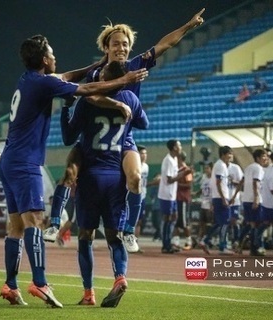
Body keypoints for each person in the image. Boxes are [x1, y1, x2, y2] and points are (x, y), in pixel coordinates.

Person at [0, 34, 148, 308]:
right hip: (25, 162)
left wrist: (97, 65)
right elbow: (86, 91)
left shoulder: (29, 79)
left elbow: (67, 76)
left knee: (16, 226)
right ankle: (40, 283)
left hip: (8, 160)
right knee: (35, 221)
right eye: (52, 54)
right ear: (45, 60)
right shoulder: (44, 83)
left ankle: (10, 284)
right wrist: (123, 82)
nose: (56, 58)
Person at [43, 8, 206, 253]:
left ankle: (129, 231)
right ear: (106, 48)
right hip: (93, 137)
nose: (122, 47)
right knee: (69, 173)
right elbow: (91, 96)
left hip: (122, 137)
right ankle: (56, 225)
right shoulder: (96, 72)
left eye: (126, 44)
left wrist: (188, 26)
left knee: (136, 178)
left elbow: (164, 45)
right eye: (116, 43)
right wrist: (117, 103)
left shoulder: (135, 64)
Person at [60, 60, 149, 307]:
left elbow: (68, 137)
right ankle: (120, 277)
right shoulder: (130, 98)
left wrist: (65, 108)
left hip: (90, 175)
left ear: (106, 77)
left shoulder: (88, 99)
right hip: (115, 177)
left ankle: (88, 294)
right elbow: (144, 124)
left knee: (85, 236)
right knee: (114, 236)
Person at [158, 140, 191, 254]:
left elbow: (175, 175)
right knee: (167, 218)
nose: (181, 147)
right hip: (166, 194)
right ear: (174, 148)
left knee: (173, 217)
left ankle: (169, 242)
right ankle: (165, 244)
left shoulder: (175, 159)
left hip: (172, 195)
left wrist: (183, 173)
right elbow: (169, 179)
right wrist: (184, 174)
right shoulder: (168, 160)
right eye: (179, 145)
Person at [199, 146, 234, 255]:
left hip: (219, 197)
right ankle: (222, 247)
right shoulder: (220, 166)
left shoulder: (221, 165)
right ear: (223, 154)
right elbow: (218, 183)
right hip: (220, 197)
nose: (231, 156)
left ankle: (205, 240)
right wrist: (223, 198)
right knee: (225, 222)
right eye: (229, 153)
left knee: (220, 222)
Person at [238, 148, 268, 256]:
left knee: (251, 224)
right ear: (258, 158)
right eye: (264, 156)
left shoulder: (248, 167)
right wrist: (256, 198)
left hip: (246, 199)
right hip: (254, 200)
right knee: (257, 224)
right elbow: (256, 183)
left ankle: (243, 244)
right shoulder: (259, 168)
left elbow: (242, 181)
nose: (266, 158)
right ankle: (256, 247)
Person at [172, 151, 194, 251]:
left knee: (184, 222)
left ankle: (189, 241)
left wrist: (176, 184)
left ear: (180, 159)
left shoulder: (186, 170)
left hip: (183, 199)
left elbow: (189, 185)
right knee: (176, 220)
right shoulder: (177, 170)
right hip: (176, 198)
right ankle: (175, 241)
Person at [131, 145, 149, 253]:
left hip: (143, 196)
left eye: (145, 153)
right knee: (132, 220)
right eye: (142, 153)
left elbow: (144, 183)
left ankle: (135, 244)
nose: (144, 156)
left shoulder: (146, 166)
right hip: (134, 196)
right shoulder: (133, 165)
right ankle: (128, 242)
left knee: (139, 221)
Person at [228, 159, 244, 250]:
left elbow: (242, 182)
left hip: (234, 199)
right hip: (225, 199)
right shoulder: (220, 167)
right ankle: (227, 241)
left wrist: (233, 181)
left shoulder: (236, 168)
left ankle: (237, 241)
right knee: (226, 221)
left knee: (234, 220)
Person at [195, 162, 213, 243]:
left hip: (210, 203)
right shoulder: (204, 178)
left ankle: (209, 238)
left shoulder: (214, 179)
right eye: (205, 168)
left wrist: (213, 204)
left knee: (211, 222)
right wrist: (196, 193)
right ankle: (200, 237)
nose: (206, 170)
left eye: (207, 168)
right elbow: (202, 189)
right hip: (204, 202)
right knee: (202, 222)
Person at [147, 173, 162, 241]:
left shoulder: (162, 186)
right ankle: (158, 235)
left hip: (160, 206)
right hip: (154, 206)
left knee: (158, 222)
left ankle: (158, 236)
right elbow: (151, 195)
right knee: (154, 222)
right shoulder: (154, 187)